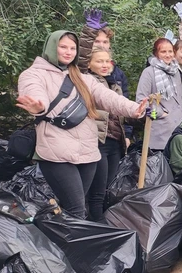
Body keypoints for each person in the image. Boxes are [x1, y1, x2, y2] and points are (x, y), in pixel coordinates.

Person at [16, 31, 146, 220]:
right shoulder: (33, 74)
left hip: (87, 151)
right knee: (76, 208)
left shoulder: (83, 77)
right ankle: (76, 248)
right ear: (52, 47)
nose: (68, 52)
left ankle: (57, 241)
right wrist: (39, 106)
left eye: (72, 48)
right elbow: (35, 93)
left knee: (73, 208)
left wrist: (135, 109)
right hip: (56, 152)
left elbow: (107, 97)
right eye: (63, 47)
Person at [84, 49, 129, 220]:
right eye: (99, 61)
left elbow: (120, 114)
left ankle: (103, 226)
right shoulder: (87, 83)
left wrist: (142, 115)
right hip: (97, 141)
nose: (104, 65)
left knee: (106, 190)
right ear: (89, 64)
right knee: (97, 192)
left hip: (114, 142)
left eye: (107, 61)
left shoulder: (113, 84)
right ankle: (97, 230)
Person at [136, 38, 182, 152]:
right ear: (156, 54)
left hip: (179, 128)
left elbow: (181, 97)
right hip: (159, 130)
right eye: (163, 52)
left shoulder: (176, 71)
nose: (168, 55)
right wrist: (159, 114)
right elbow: (141, 101)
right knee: (159, 167)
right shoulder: (149, 72)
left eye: (170, 51)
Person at [80, 8, 129, 96]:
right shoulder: (82, 68)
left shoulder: (117, 73)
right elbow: (82, 55)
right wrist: (89, 32)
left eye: (105, 42)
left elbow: (125, 98)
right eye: (97, 41)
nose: (101, 45)